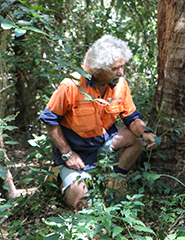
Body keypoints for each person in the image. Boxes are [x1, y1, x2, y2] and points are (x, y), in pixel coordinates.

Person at [39, 35, 157, 210]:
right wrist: (67, 153)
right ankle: (58, 175)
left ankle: (115, 182)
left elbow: (131, 117)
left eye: (122, 66)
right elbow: (50, 120)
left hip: (104, 142)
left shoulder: (120, 85)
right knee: (81, 204)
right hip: (76, 153)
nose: (121, 72)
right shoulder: (71, 85)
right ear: (98, 69)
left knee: (139, 137)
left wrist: (145, 132)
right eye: (115, 68)